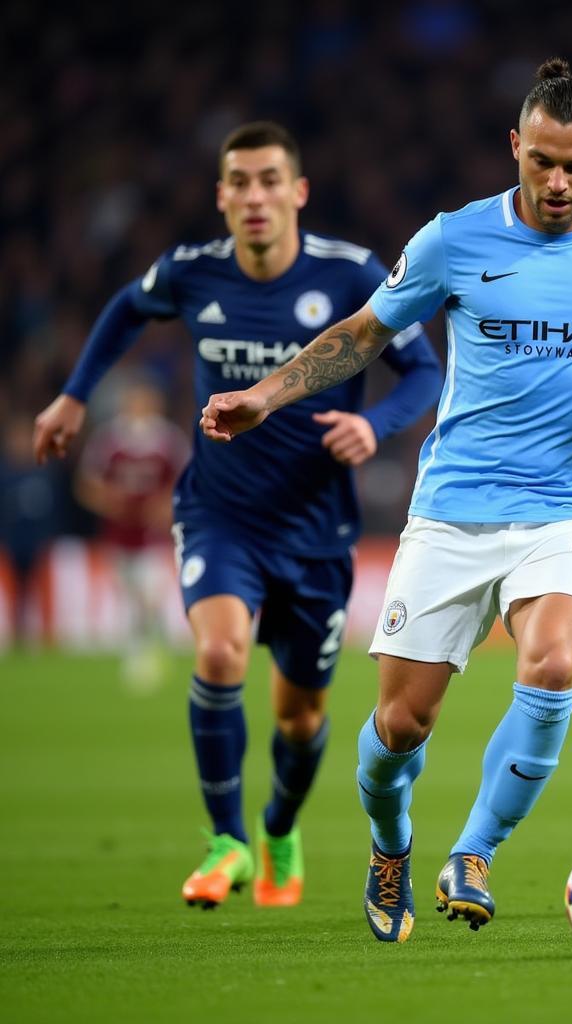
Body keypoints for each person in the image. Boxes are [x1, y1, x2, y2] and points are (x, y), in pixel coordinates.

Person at [199, 59, 572, 943]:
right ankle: (390, 844)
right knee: (400, 726)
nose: (556, 182)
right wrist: (266, 396)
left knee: (551, 664)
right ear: (515, 145)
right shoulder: (452, 241)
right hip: (456, 508)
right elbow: (363, 333)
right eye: (541, 160)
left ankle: (473, 851)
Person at [33, 121, 442, 910]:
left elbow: (421, 372)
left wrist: (375, 426)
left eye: (268, 181)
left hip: (316, 531)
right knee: (219, 656)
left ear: (298, 192)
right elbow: (124, 308)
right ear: (222, 197)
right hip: (219, 513)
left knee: (301, 718)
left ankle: (278, 829)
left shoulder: (351, 273)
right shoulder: (193, 273)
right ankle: (225, 844)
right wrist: (75, 394)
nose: (254, 197)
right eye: (240, 183)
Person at [73, 378, 190, 690]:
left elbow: (186, 482)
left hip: (153, 536)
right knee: (128, 594)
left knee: (148, 595)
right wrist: (109, 501)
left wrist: (165, 506)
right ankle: (146, 645)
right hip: (118, 534)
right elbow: (87, 484)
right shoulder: (109, 440)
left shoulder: (168, 440)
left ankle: (145, 654)